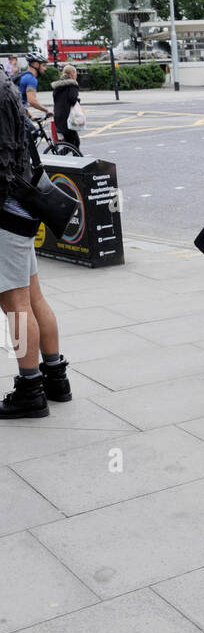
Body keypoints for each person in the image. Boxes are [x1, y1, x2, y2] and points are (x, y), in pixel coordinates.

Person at [0, 71, 72, 418]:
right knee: (33, 296)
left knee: (15, 304)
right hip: (24, 204)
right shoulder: (7, 86)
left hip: (4, 210)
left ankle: (30, 389)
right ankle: (55, 378)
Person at [51, 63, 82, 152]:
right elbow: (72, 99)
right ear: (72, 73)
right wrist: (78, 101)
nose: (76, 75)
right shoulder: (72, 85)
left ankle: (75, 161)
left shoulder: (57, 86)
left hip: (58, 117)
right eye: (75, 73)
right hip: (67, 118)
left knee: (71, 143)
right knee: (74, 142)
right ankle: (59, 160)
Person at [17, 53, 51, 123]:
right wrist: (47, 110)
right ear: (36, 64)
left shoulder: (23, 75)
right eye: (43, 65)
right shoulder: (31, 79)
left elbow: (19, 101)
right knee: (33, 132)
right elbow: (32, 101)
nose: (45, 69)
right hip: (15, 114)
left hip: (12, 112)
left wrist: (30, 116)